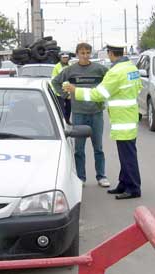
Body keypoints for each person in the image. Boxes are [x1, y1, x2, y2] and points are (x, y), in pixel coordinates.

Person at [63, 43, 142, 199]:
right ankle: (124, 183)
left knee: (128, 156)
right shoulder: (131, 68)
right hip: (129, 116)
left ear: (110, 53)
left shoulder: (115, 72)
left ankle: (133, 188)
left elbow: (99, 94)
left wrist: (75, 91)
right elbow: (137, 89)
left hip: (122, 119)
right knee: (125, 154)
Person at [52, 42, 110, 187]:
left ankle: (101, 176)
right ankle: (81, 178)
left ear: (90, 53)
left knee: (98, 147)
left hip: (96, 113)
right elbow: (55, 82)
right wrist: (65, 95)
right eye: (82, 53)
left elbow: (110, 81)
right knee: (79, 149)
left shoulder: (99, 69)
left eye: (87, 53)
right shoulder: (70, 70)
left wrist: (104, 96)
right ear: (77, 54)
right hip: (79, 114)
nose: (85, 56)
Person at [51, 51, 71, 124]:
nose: (65, 59)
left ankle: (67, 120)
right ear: (60, 58)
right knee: (61, 109)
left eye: (66, 57)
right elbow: (54, 80)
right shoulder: (57, 67)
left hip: (68, 91)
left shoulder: (70, 66)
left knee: (69, 108)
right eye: (64, 58)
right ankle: (62, 123)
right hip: (60, 92)